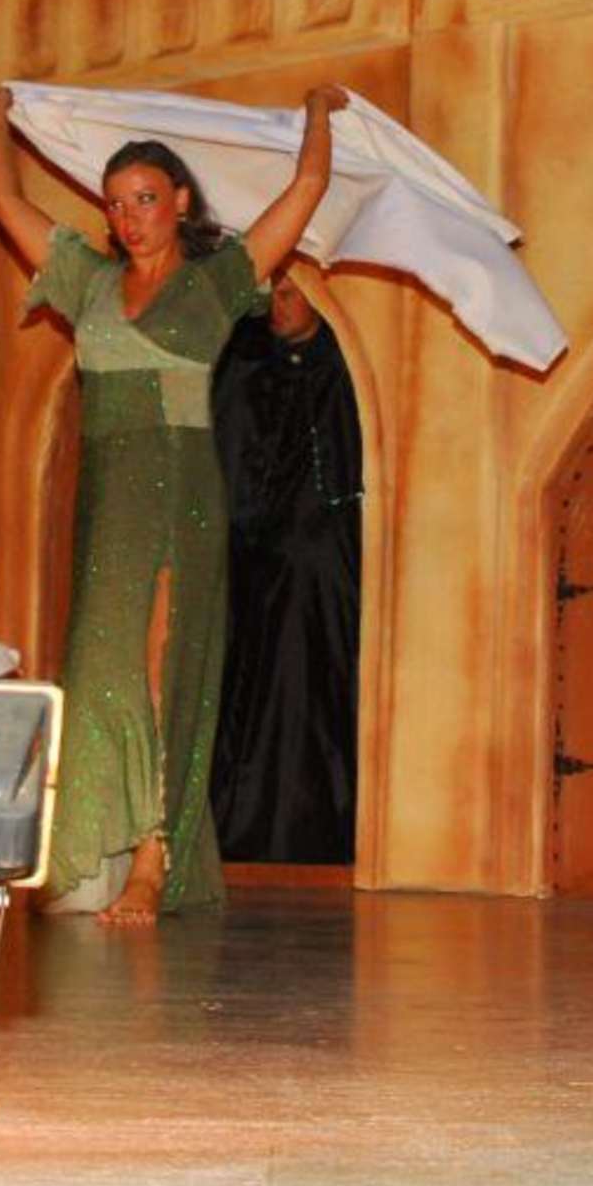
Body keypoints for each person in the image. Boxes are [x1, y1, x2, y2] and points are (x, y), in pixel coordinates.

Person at [0, 82, 338, 924]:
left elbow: (307, 187)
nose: (128, 217)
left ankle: (150, 860)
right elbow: (5, 201)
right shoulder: (86, 280)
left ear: (179, 201)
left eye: (144, 198)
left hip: (181, 492)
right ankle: (88, 853)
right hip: (108, 499)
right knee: (97, 671)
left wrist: (317, 114)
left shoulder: (216, 283)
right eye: (115, 203)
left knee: (159, 666)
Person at [209, 276, 362, 865]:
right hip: (252, 567)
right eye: (272, 293)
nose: (279, 306)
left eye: (292, 293)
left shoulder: (343, 369)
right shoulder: (244, 362)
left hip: (323, 575)